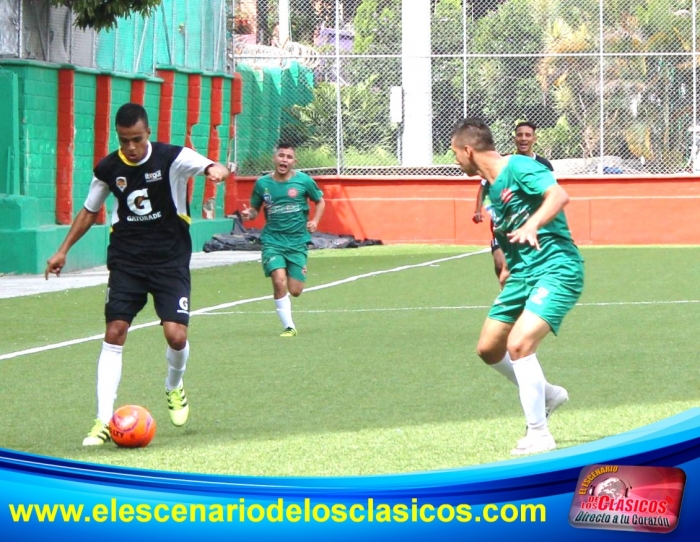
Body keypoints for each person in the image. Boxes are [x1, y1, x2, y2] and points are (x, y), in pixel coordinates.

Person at [45, 103, 230, 446]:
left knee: (176, 336)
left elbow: (208, 165)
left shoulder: (172, 157)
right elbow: (89, 211)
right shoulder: (108, 168)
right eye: (124, 140)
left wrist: (216, 169)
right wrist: (63, 250)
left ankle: (174, 384)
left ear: (148, 134)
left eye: (137, 139)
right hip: (127, 260)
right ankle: (102, 420)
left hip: (169, 260)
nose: (131, 147)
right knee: (115, 331)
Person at [451, 117, 584, 456]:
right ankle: (548, 394)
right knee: (488, 349)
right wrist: (508, 266)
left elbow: (558, 195)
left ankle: (539, 433)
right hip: (521, 276)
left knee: (520, 344)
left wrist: (533, 224)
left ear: (468, 150)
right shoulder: (490, 189)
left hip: (556, 268)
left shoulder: (520, 166)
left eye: (455, 153)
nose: (455, 160)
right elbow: (507, 231)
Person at [240, 142, 325, 337]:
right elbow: (254, 209)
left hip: (297, 242)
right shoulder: (262, 184)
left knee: (295, 290)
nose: (284, 160)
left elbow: (320, 201)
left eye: (289, 157)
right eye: (281, 155)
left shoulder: (304, 181)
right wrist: (249, 214)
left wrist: (315, 221)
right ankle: (289, 327)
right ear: (274, 158)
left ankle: (293, 268)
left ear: (294, 161)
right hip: (273, 241)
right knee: (279, 281)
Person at [473, 121, 553, 285]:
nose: (523, 138)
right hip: (504, 222)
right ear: (514, 138)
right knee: (500, 265)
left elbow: (551, 192)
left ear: (534, 139)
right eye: (520, 135)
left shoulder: (544, 165)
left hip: (531, 222)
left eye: (528, 135)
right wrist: (478, 210)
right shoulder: (502, 162)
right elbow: (484, 185)